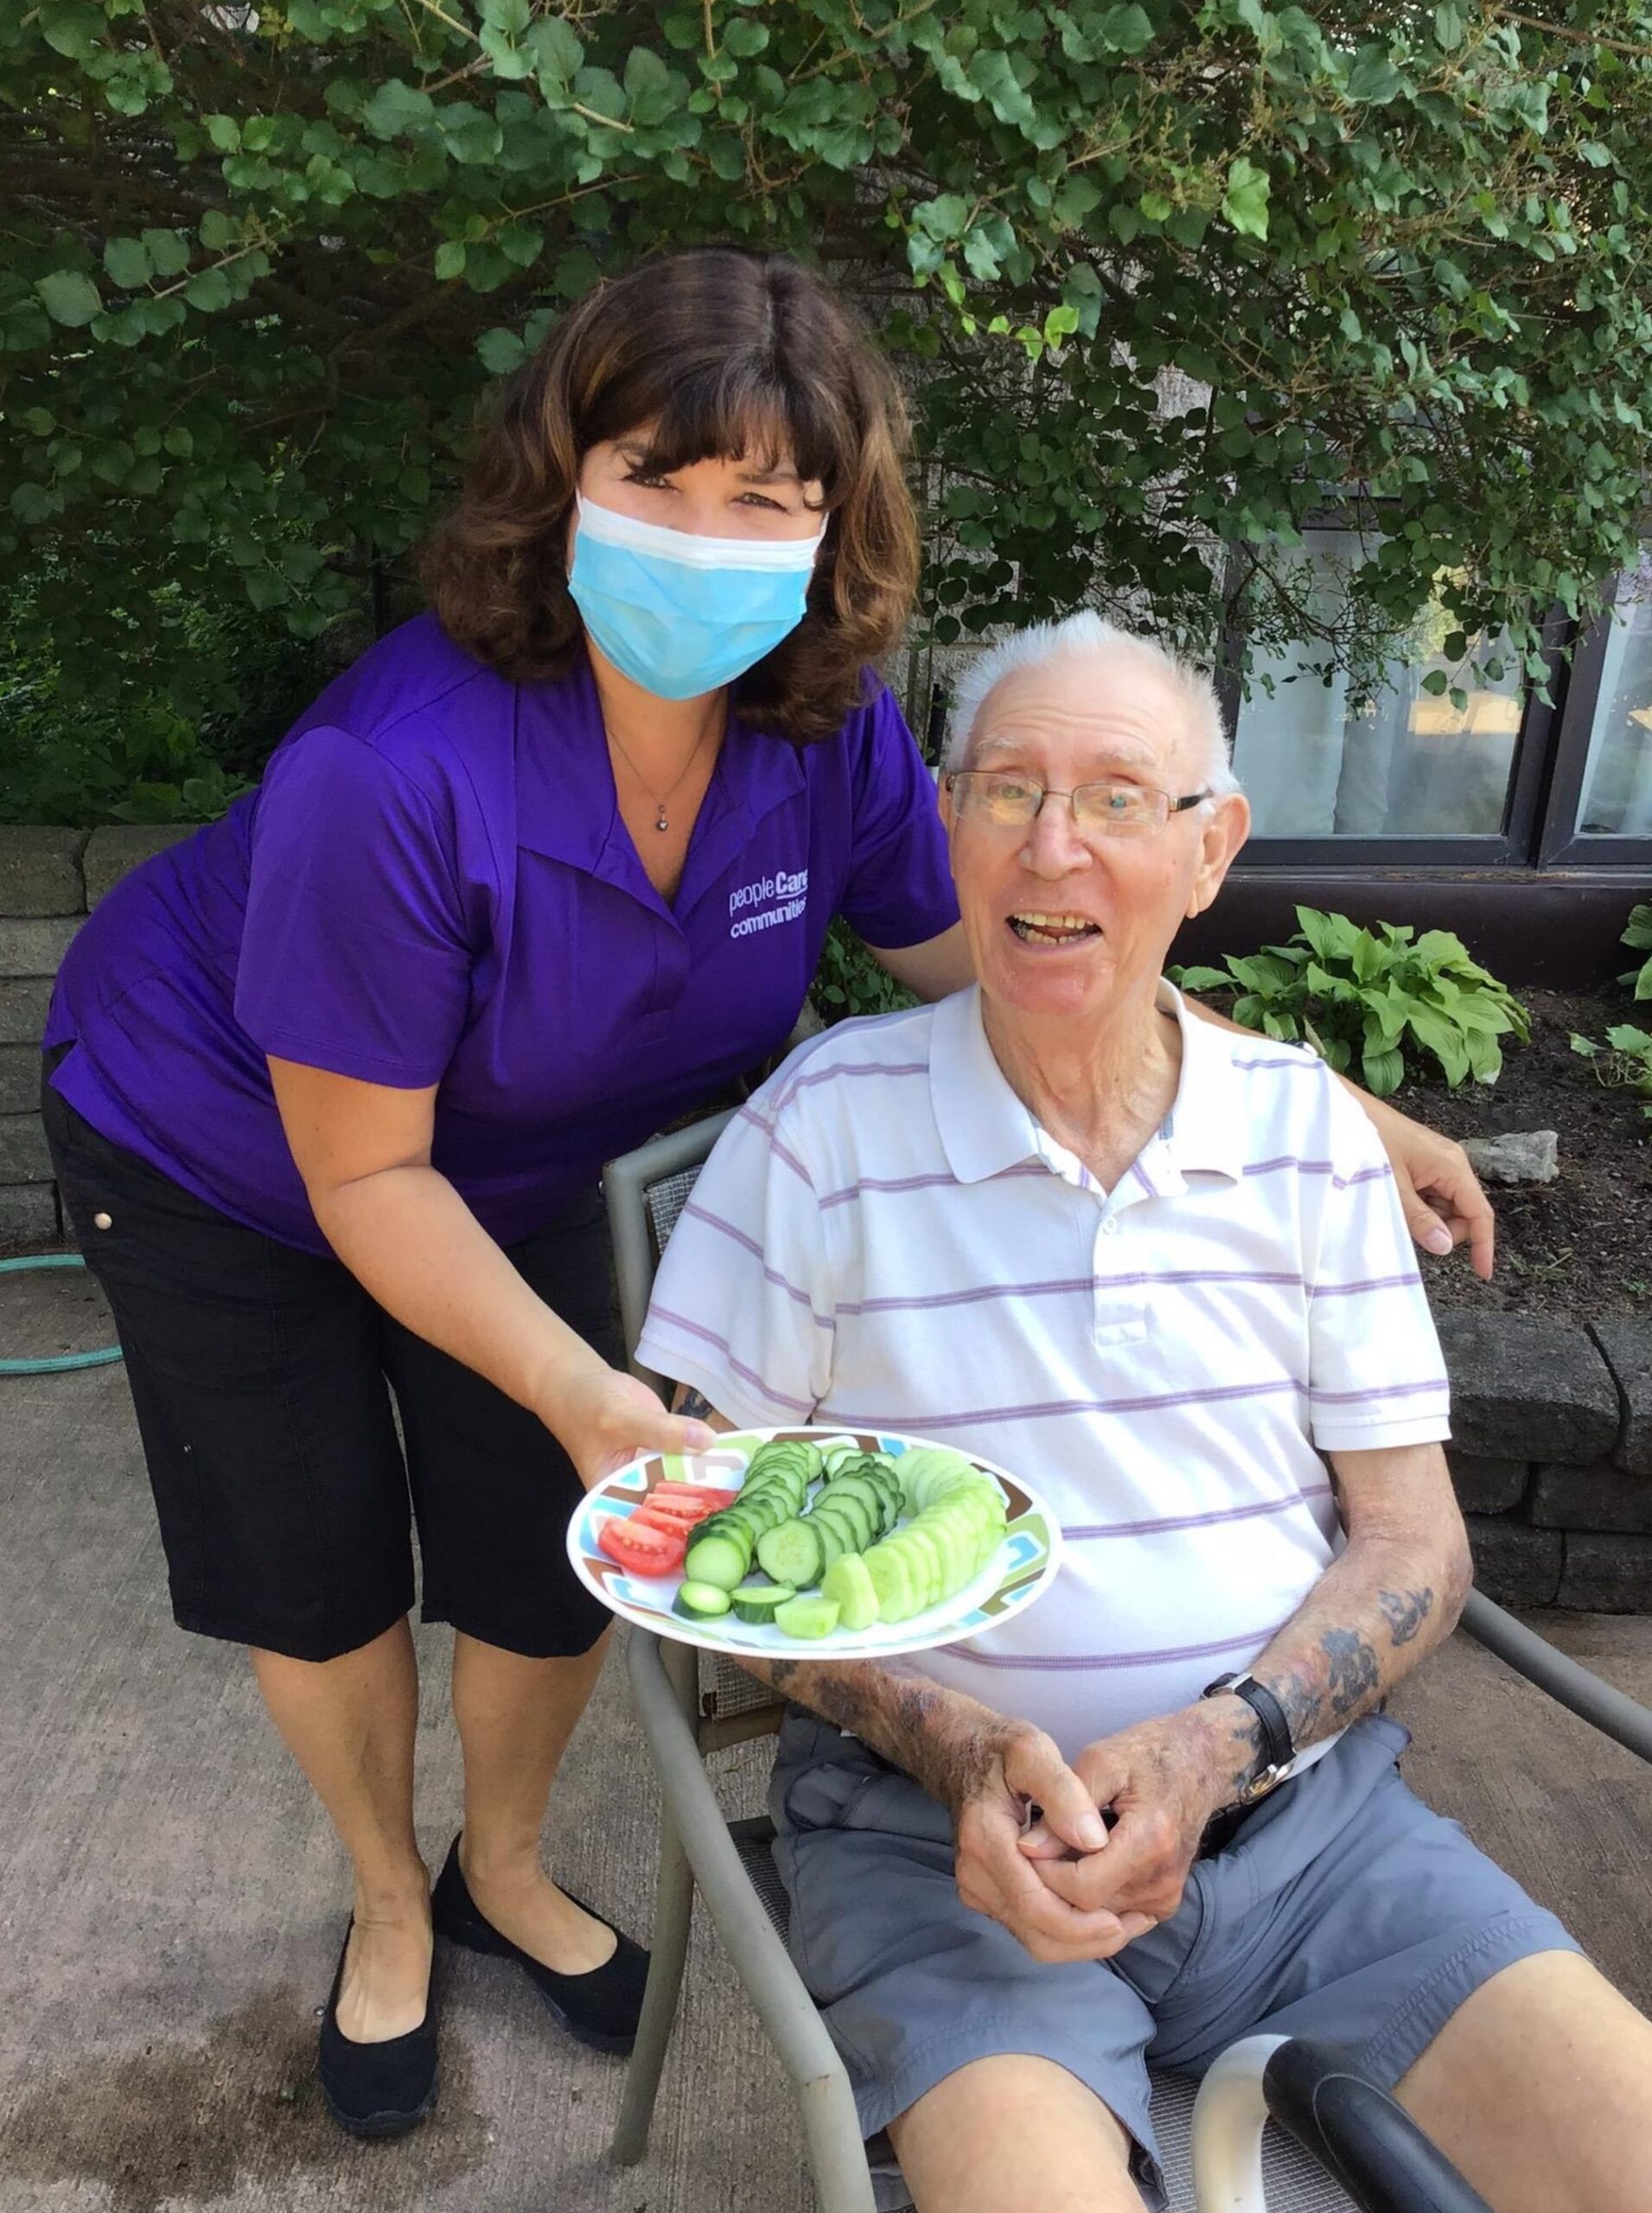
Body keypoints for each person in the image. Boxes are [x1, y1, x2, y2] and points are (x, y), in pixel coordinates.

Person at [41, 246, 1488, 2143]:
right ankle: (389, 1900)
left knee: (543, 1555)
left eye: (767, 499)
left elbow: (1009, 946)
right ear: (561, 475)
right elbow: (363, 1170)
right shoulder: (384, 771)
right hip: (229, 1150)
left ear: (830, 525)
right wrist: (580, 1387)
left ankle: (508, 1864)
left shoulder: (820, 730)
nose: (703, 534)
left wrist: (1316, 1094)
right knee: (312, 1558)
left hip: (514, 1157)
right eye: (655, 475)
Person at [638, 612, 1652, 2213]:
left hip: (1316, 1841)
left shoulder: (1307, 1136)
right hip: (943, 1856)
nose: (1055, 848)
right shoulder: (820, 1129)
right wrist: (958, 1744)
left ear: (1210, 848)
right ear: (950, 828)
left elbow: (1413, 1538)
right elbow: (701, 1545)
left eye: (1119, 798)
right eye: (1007, 792)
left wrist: (1219, 1745)